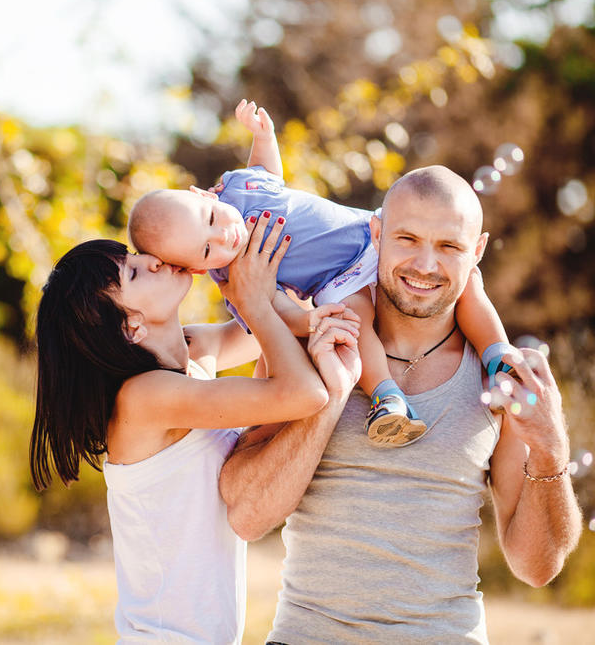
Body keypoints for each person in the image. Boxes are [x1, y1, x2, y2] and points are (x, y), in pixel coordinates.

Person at [219, 165, 583, 644]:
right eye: (407, 238)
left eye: (449, 246)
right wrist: (330, 398)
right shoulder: (306, 350)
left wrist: (552, 451)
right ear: (377, 233)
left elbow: (536, 568)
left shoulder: (506, 379)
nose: (425, 265)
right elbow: (247, 515)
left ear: (477, 252)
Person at [29, 212, 362, 643]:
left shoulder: (196, 352)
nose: (151, 259)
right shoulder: (144, 398)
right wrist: (254, 302)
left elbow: (276, 324)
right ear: (131, 326)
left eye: (135, 254)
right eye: (133, 271)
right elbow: (304, 394)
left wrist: (227, 246)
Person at [128, 99, 516, 447]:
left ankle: (499, 357)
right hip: (339, 281)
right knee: (353, 323)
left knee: (467, 282)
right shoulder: (236, 276)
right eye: (208, 248)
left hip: (372, 235)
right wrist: (310, 319)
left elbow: (268, 175)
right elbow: (276, 309)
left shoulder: (237, 186)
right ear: (197, 268)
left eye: (211, 219)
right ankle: (389, 398)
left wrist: (264, 136)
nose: (224, 235)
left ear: (204, 195)